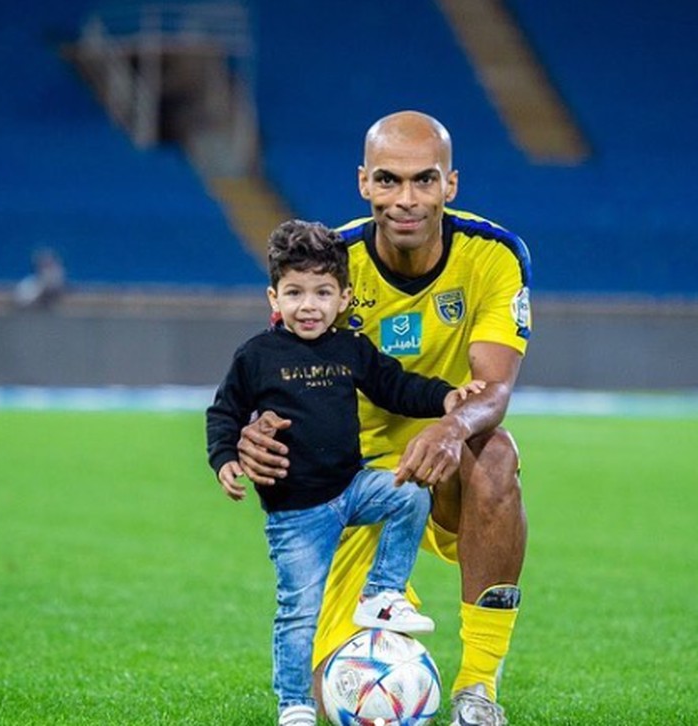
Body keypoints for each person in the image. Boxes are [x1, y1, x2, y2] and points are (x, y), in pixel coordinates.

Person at [236, 111, 532, 726]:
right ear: (363, 183)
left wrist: (451, 428)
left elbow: (494, 390)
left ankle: (478, 690)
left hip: (443, 464)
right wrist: (252, 432)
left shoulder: (494, 256)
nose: (406, 199)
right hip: (345, 484)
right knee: (339, 697)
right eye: (389, 181)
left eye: (424, 181)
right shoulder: (330, 264)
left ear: (450, 185)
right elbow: (274, 375)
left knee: (495, 451)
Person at [206, 219, 485, 726]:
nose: (307, 305)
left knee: (409, 493)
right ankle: (293, 703)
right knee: (299, 612)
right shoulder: (256, 356)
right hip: (298, 514)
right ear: (274, 297)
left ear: (344, 298)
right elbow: (224, 412)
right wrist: (225, 458)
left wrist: (446, 396)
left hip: (351, 486)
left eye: (322, 292)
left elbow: (394, 385)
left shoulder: (349, 349)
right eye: (294, 292)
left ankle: (383, 594)